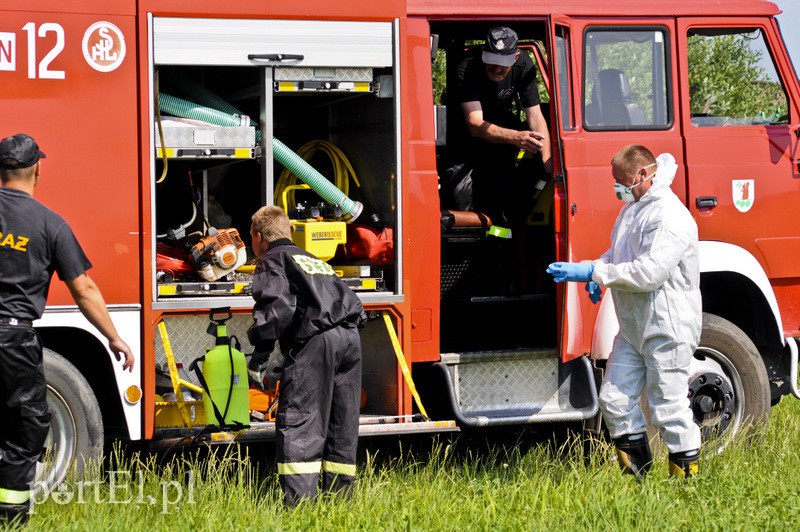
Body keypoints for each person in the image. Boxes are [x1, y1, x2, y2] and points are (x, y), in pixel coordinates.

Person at [0, 133, 135, 525]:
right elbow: (84, 290)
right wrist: (114, 336)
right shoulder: (50, 224)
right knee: (26, 425)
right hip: (13, 339)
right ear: (37, 169)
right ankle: (9, 516)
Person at [546, 145, 701, 479]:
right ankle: (638, 483)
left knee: (669, 408)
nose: (618, 187)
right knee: (614, 399)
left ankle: (688, 486)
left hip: (667, 327)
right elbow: (619, 252)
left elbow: (649, 274)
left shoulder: (670, 216)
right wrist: (594, 268)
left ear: (643, 173)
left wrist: (595, 274)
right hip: (632, 326)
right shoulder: (634, 209)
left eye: (622, 180)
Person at [247, 205, 364, 506]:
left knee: (302, 420)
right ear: (289, 231)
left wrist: (259, 354)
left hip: (317, 342)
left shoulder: (273, 260)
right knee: (341, 423)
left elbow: (277, 309)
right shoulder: (313, 259)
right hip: (350, 339)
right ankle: (341, 502)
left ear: (259, 236)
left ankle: (301, 508)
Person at [442, 26, 552, 226]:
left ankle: (498, 247)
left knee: (501, 200)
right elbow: (475, 124)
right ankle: (462, 253)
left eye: (503, 64)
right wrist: (517, 137)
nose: (496, 68)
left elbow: (535, 115)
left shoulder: (525, 66)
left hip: (502, 139)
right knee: (460, 202)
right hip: (465, 141)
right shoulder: (466, 68)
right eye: (491, 61)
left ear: (516, 57)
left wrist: (548, 162)